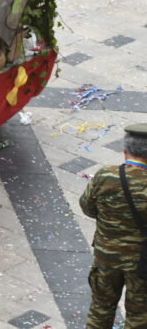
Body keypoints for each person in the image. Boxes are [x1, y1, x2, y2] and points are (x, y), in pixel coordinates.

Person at [79, 123, 147, 329]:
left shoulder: (105, 176)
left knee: (101, 308)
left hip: (106, 256)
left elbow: (88, 208)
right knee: (139, 316)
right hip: (142, 263)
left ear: (125, 150)